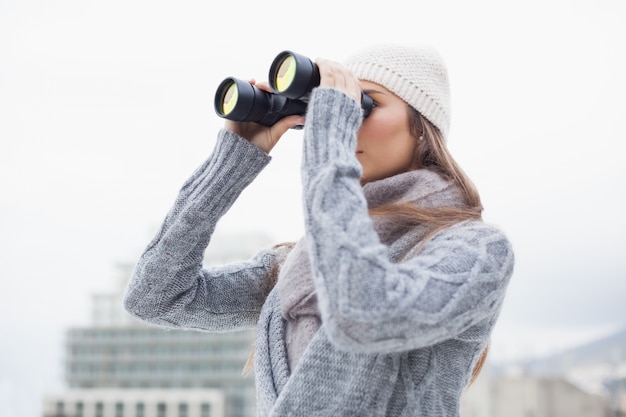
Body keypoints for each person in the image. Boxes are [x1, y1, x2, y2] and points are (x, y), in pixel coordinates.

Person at [123, 44, 515, 416]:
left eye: (364, 105)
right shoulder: (300, 262)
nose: (343, 120)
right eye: (332, 108)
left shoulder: (477, 250)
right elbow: (156, 297)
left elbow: (362, 315)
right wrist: (230, 163)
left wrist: (330, 145)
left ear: (421, 128)